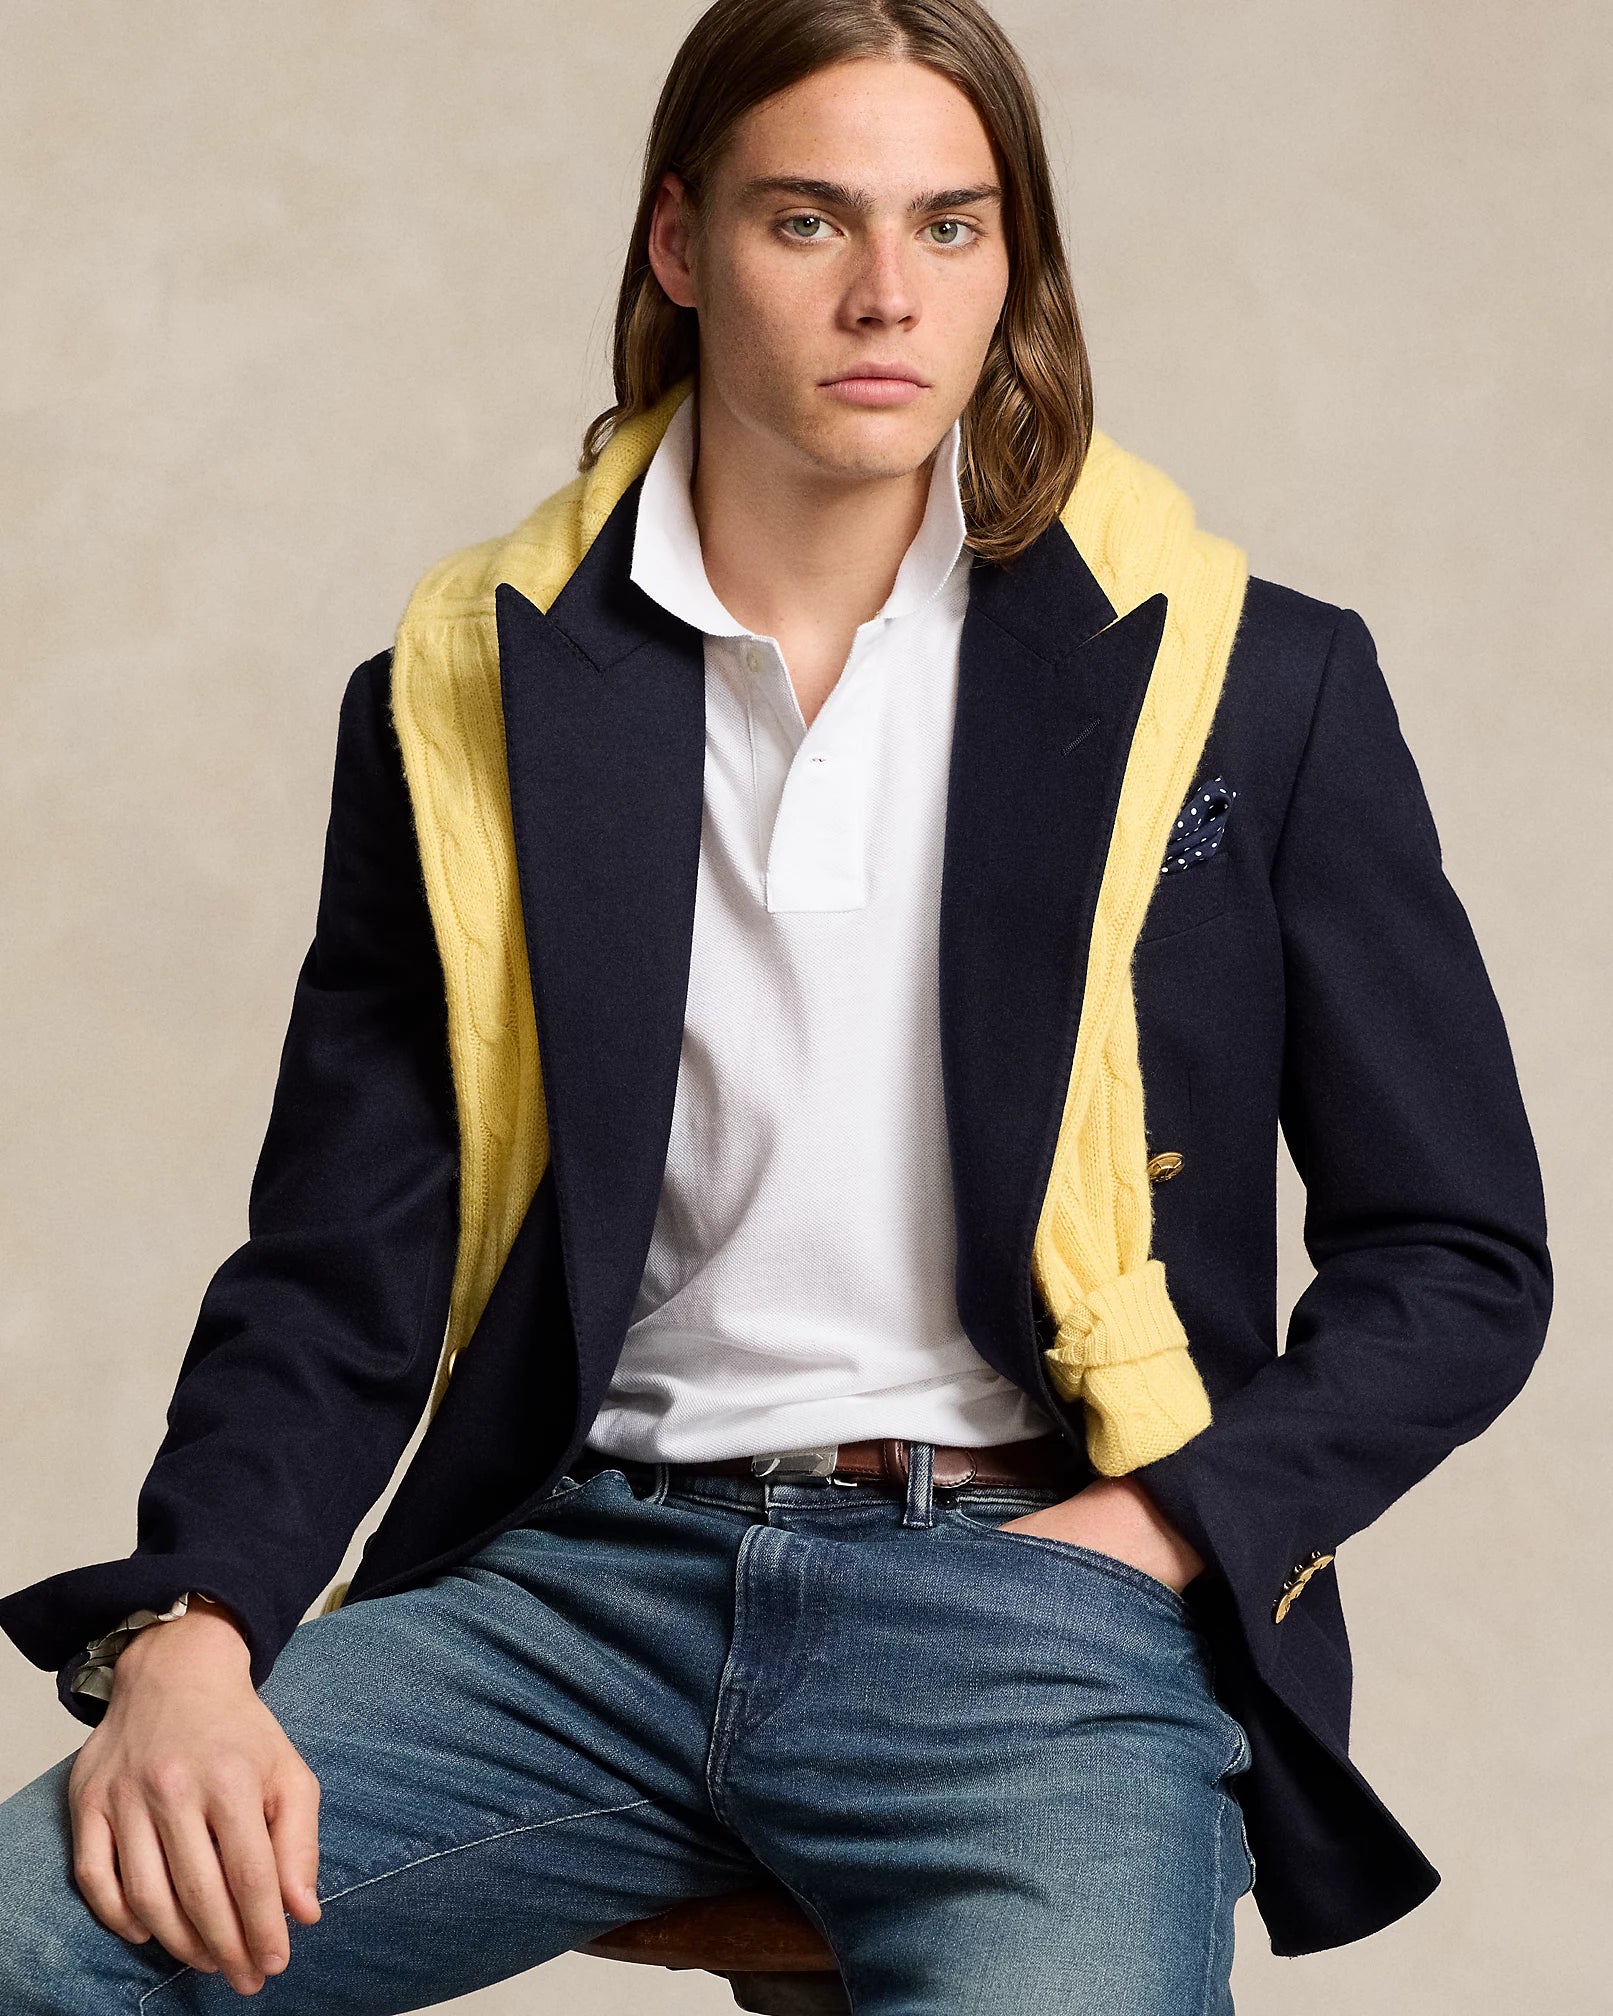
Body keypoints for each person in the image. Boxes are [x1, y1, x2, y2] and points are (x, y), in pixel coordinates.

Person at [0, 1, 1552, 2009]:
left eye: (951, 225)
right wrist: (191, 1632)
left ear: (1012, 261)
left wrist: (1155, 1534)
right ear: (680, 242)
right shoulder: (466, 691)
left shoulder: (1247, 676)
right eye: (809, 220)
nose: (887, 293)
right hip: (575, 1602)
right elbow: (340, 1267)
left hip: (1030, 1612)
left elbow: (1456, 1254)